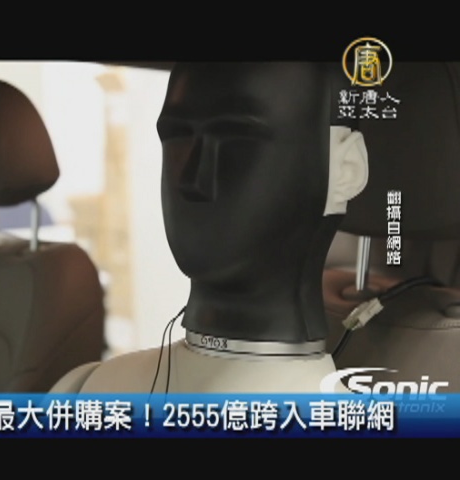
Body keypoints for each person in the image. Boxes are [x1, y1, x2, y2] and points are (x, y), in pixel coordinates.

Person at [51, 62, 368, 393]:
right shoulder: (82, 389)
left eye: (238, 137)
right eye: (177, 137)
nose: (192, 179)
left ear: (346, 171)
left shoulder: (86, 390)